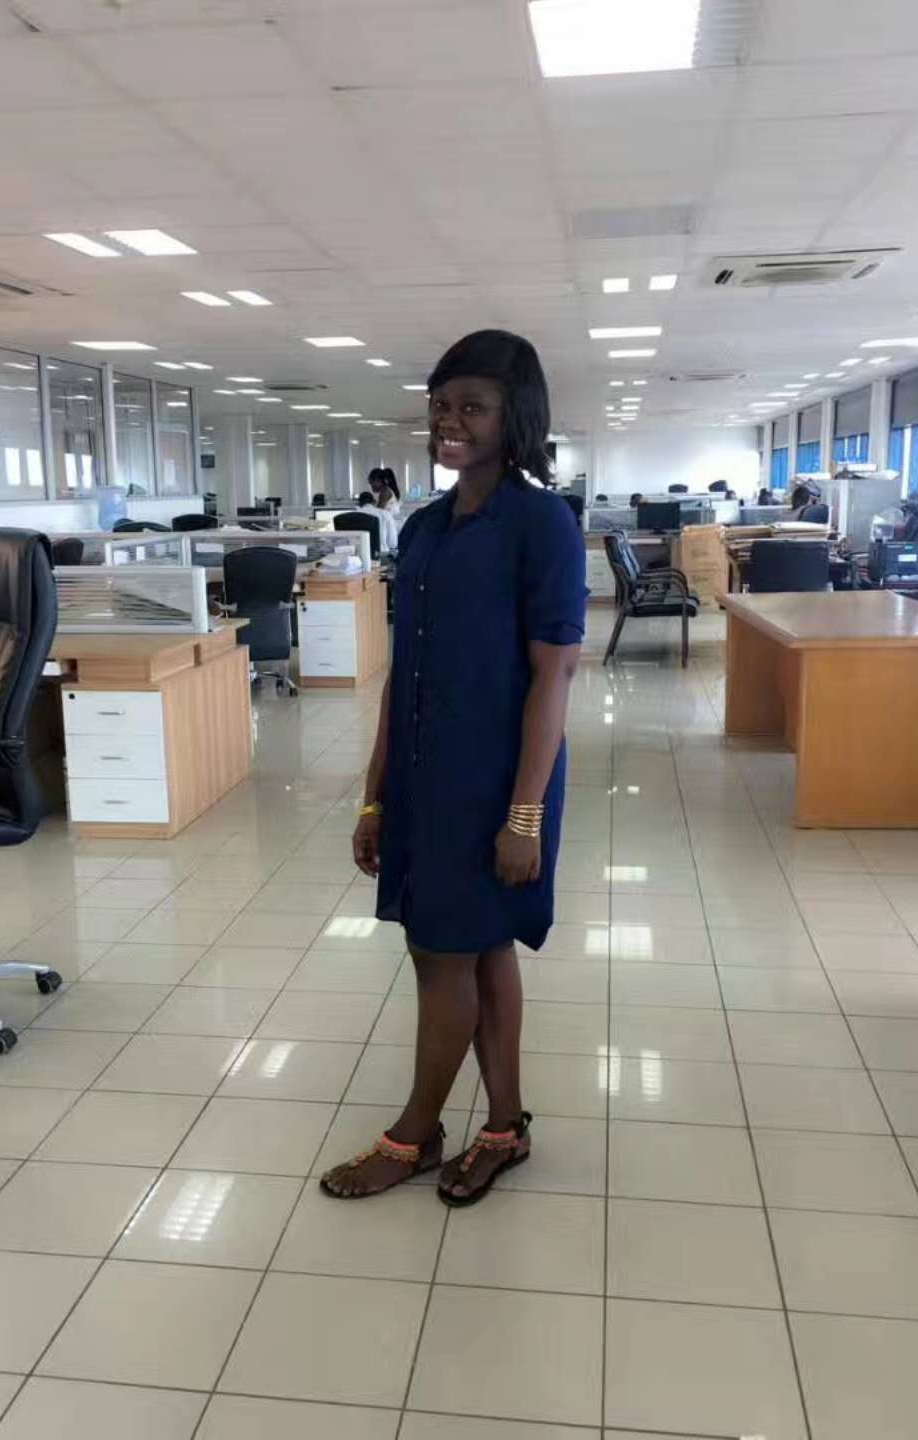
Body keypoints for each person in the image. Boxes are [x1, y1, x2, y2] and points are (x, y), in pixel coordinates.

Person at [321, 329, 586, 1205]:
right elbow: (406, 673)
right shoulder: (428, 526)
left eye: (473, 406)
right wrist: (374, 797)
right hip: (421, 779)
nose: (450, 421)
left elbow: (554, 676)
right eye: (441, 405)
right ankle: (505, 1128)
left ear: (516, 419)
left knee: (441, 959)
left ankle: (413, 1136)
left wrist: (524, 816)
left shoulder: (541, 523)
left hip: (493, 785)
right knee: (482, 951)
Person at [357, 487, 399, 554]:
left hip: (358, 555)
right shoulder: (385, 514)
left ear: (359, 503)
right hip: (381, 555)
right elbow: (393, 543)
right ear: (374, 502)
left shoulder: (354, 514)